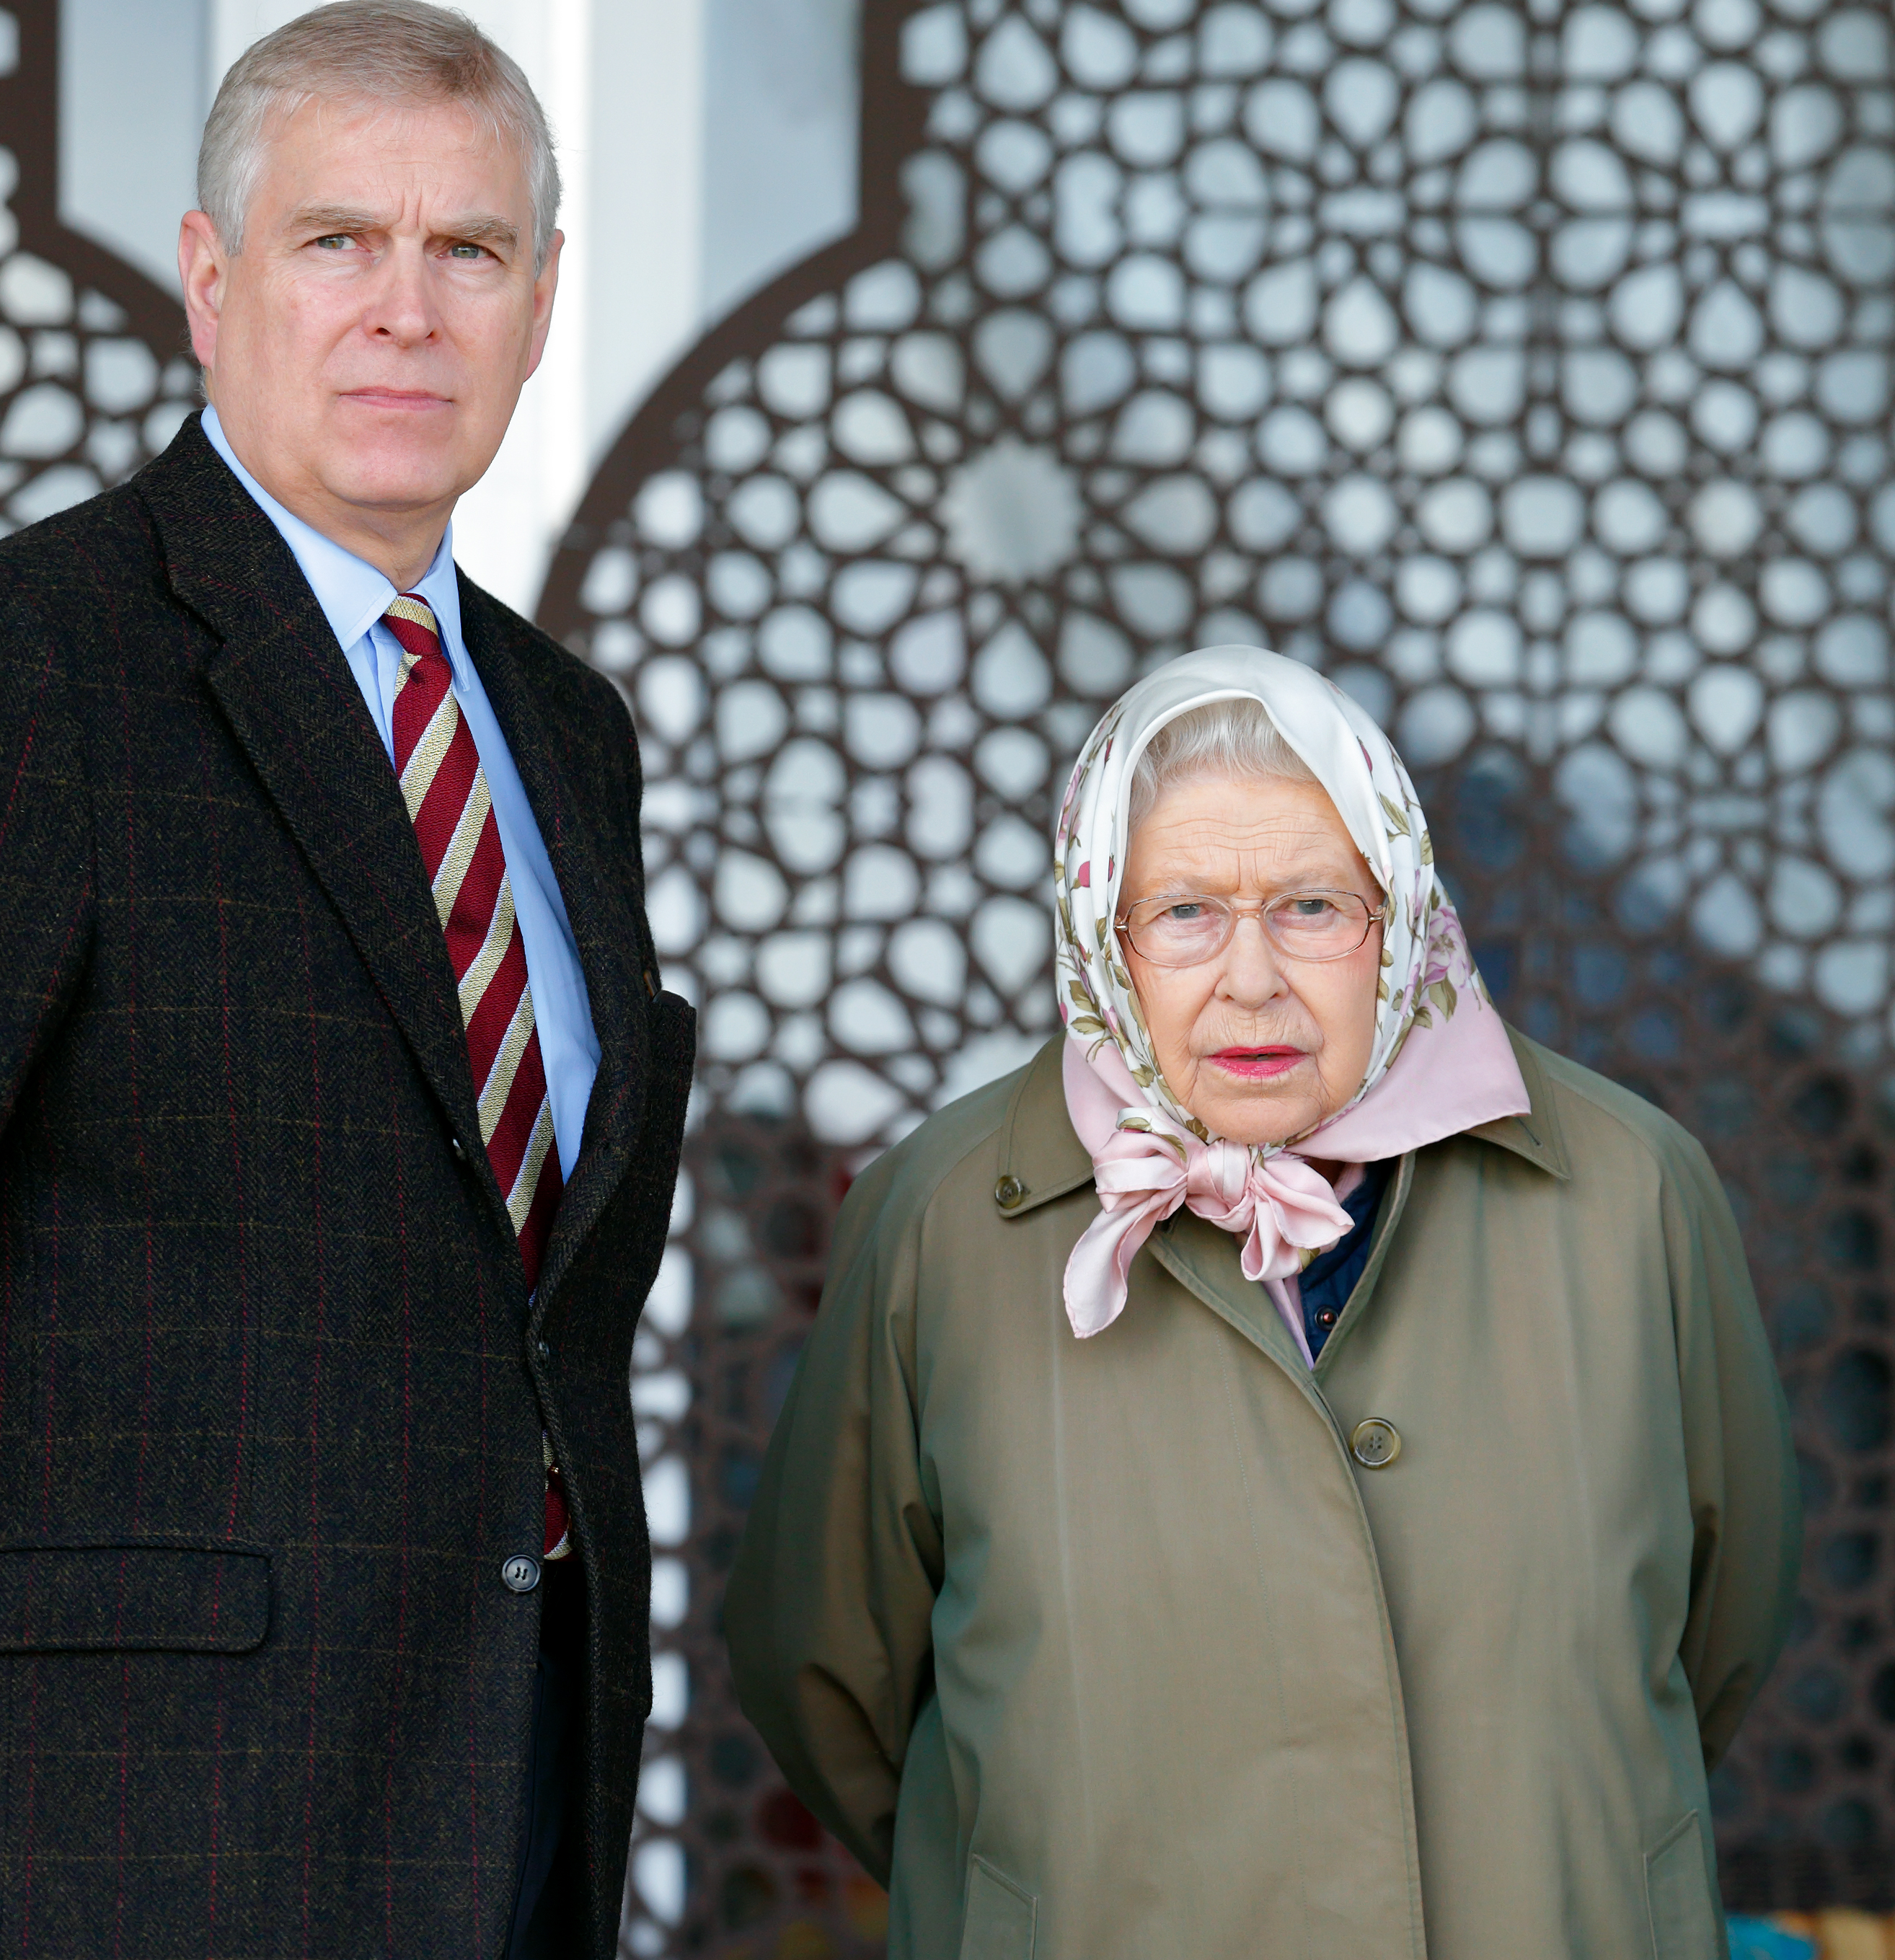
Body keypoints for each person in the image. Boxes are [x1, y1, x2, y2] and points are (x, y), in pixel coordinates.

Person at [0, 0, 692, 1960]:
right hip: (109, 1820)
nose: (408, 307)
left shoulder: (562, 731)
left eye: (467, 249)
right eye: (336, 242)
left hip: (508, 1791)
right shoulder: (7, 673)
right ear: (211, 283)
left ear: (543, 304)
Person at [725, 645, 1798, 1959]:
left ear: (1399, 914)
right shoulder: (940, 1222)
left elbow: (1718, 1627)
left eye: (1310, 906)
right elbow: (828, 1671)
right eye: (1181, 911)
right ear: (1097, 931)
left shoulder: (1631, 1194)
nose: (1249, 980)